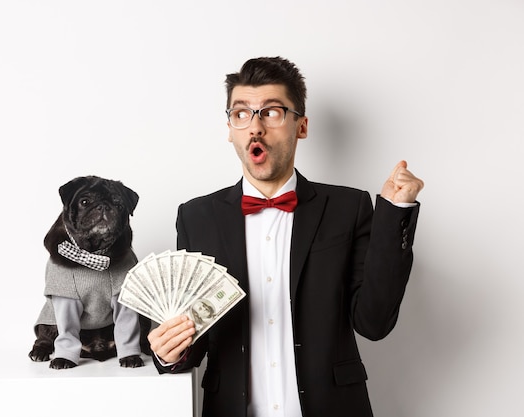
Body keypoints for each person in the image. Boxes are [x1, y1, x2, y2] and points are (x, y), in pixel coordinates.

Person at [148, 56, 424, 417]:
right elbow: (195, 341)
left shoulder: (348, 207)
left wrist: (395, 213)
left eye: (272, 112)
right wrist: (170, 351)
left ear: (302, 126)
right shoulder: (197, 217)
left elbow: (373, 322)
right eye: (242, 113)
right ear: (230, 129)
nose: (255, 127)